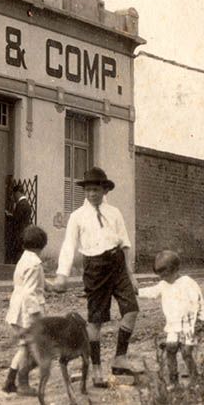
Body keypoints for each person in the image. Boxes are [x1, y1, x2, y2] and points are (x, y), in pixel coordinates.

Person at [53, 166, 139, 387]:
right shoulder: (77, 217)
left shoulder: (115, 213)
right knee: (95, 321)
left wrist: (131, 274)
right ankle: (97, 369)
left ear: (104, 190)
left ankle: (120, 358)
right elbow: (69, 245)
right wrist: (62, 274)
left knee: (131, 310)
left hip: (118, 264)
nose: (92, 194)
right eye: (89, 190)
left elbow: (125, 243)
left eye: (96, 189)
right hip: (95, 268)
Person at [138, 250, 204, 388]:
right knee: (170, 350)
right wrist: (136, 291)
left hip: (189, 325)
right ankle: (173, 381)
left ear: (176, 269)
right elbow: (151, 292)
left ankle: (195, 380)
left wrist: (202, 319)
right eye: (161, 275)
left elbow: (200, 301)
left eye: (166, 274)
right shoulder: (163, 284)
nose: (164, 278)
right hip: (173, 326)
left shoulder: (188, 283)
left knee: (186, 353)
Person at [3, 225, 52, 396]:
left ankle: (10, 381)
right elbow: (31, 292)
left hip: (16, 308)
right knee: (37, 348)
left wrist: (48, 285)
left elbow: (28, 283)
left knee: (25, 346)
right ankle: (21, 383)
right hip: (26, 312)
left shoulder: (24, 259)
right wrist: (37, 316)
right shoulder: (35, 264)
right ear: (42, 245)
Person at [6, 183, 33, 263]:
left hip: (19, 234)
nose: (13, 197)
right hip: (23, 233)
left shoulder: (21, 204)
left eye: (13, 194)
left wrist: (9, 216)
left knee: (18, 255)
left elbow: (16, 220)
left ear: (17, 193)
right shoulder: (26, 203)